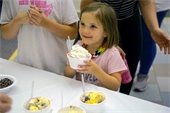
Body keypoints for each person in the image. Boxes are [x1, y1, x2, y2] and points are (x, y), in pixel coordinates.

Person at [80, 0, 170, 95]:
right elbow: (87, 8)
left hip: (129, 22)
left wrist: (154, 29)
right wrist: (102, 40)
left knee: (126, 77)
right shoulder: (81, 43)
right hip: (98, 23)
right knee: (86, 67)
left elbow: (146, 2)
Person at [0, 0, 79, 75]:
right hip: (25, 67)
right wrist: (17, 20)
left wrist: (45, 23)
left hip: (56, 69)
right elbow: (5, 34)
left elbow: (72, 33)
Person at [64, 2, 128, 91]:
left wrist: (96, 71)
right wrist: (72, 64)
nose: (85, 31)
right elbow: (67, 74)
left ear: (106, 31)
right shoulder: (79, 46)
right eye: (82, 24)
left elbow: (115, 85)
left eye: (93, 26)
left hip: (104, 99)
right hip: (82, 95)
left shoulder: (112, 54)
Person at [134, 0, 170, 92]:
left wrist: (154, 29)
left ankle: (143, 74)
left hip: (156, 4)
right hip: (125, 6)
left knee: (148, 39)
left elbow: (146, 3)